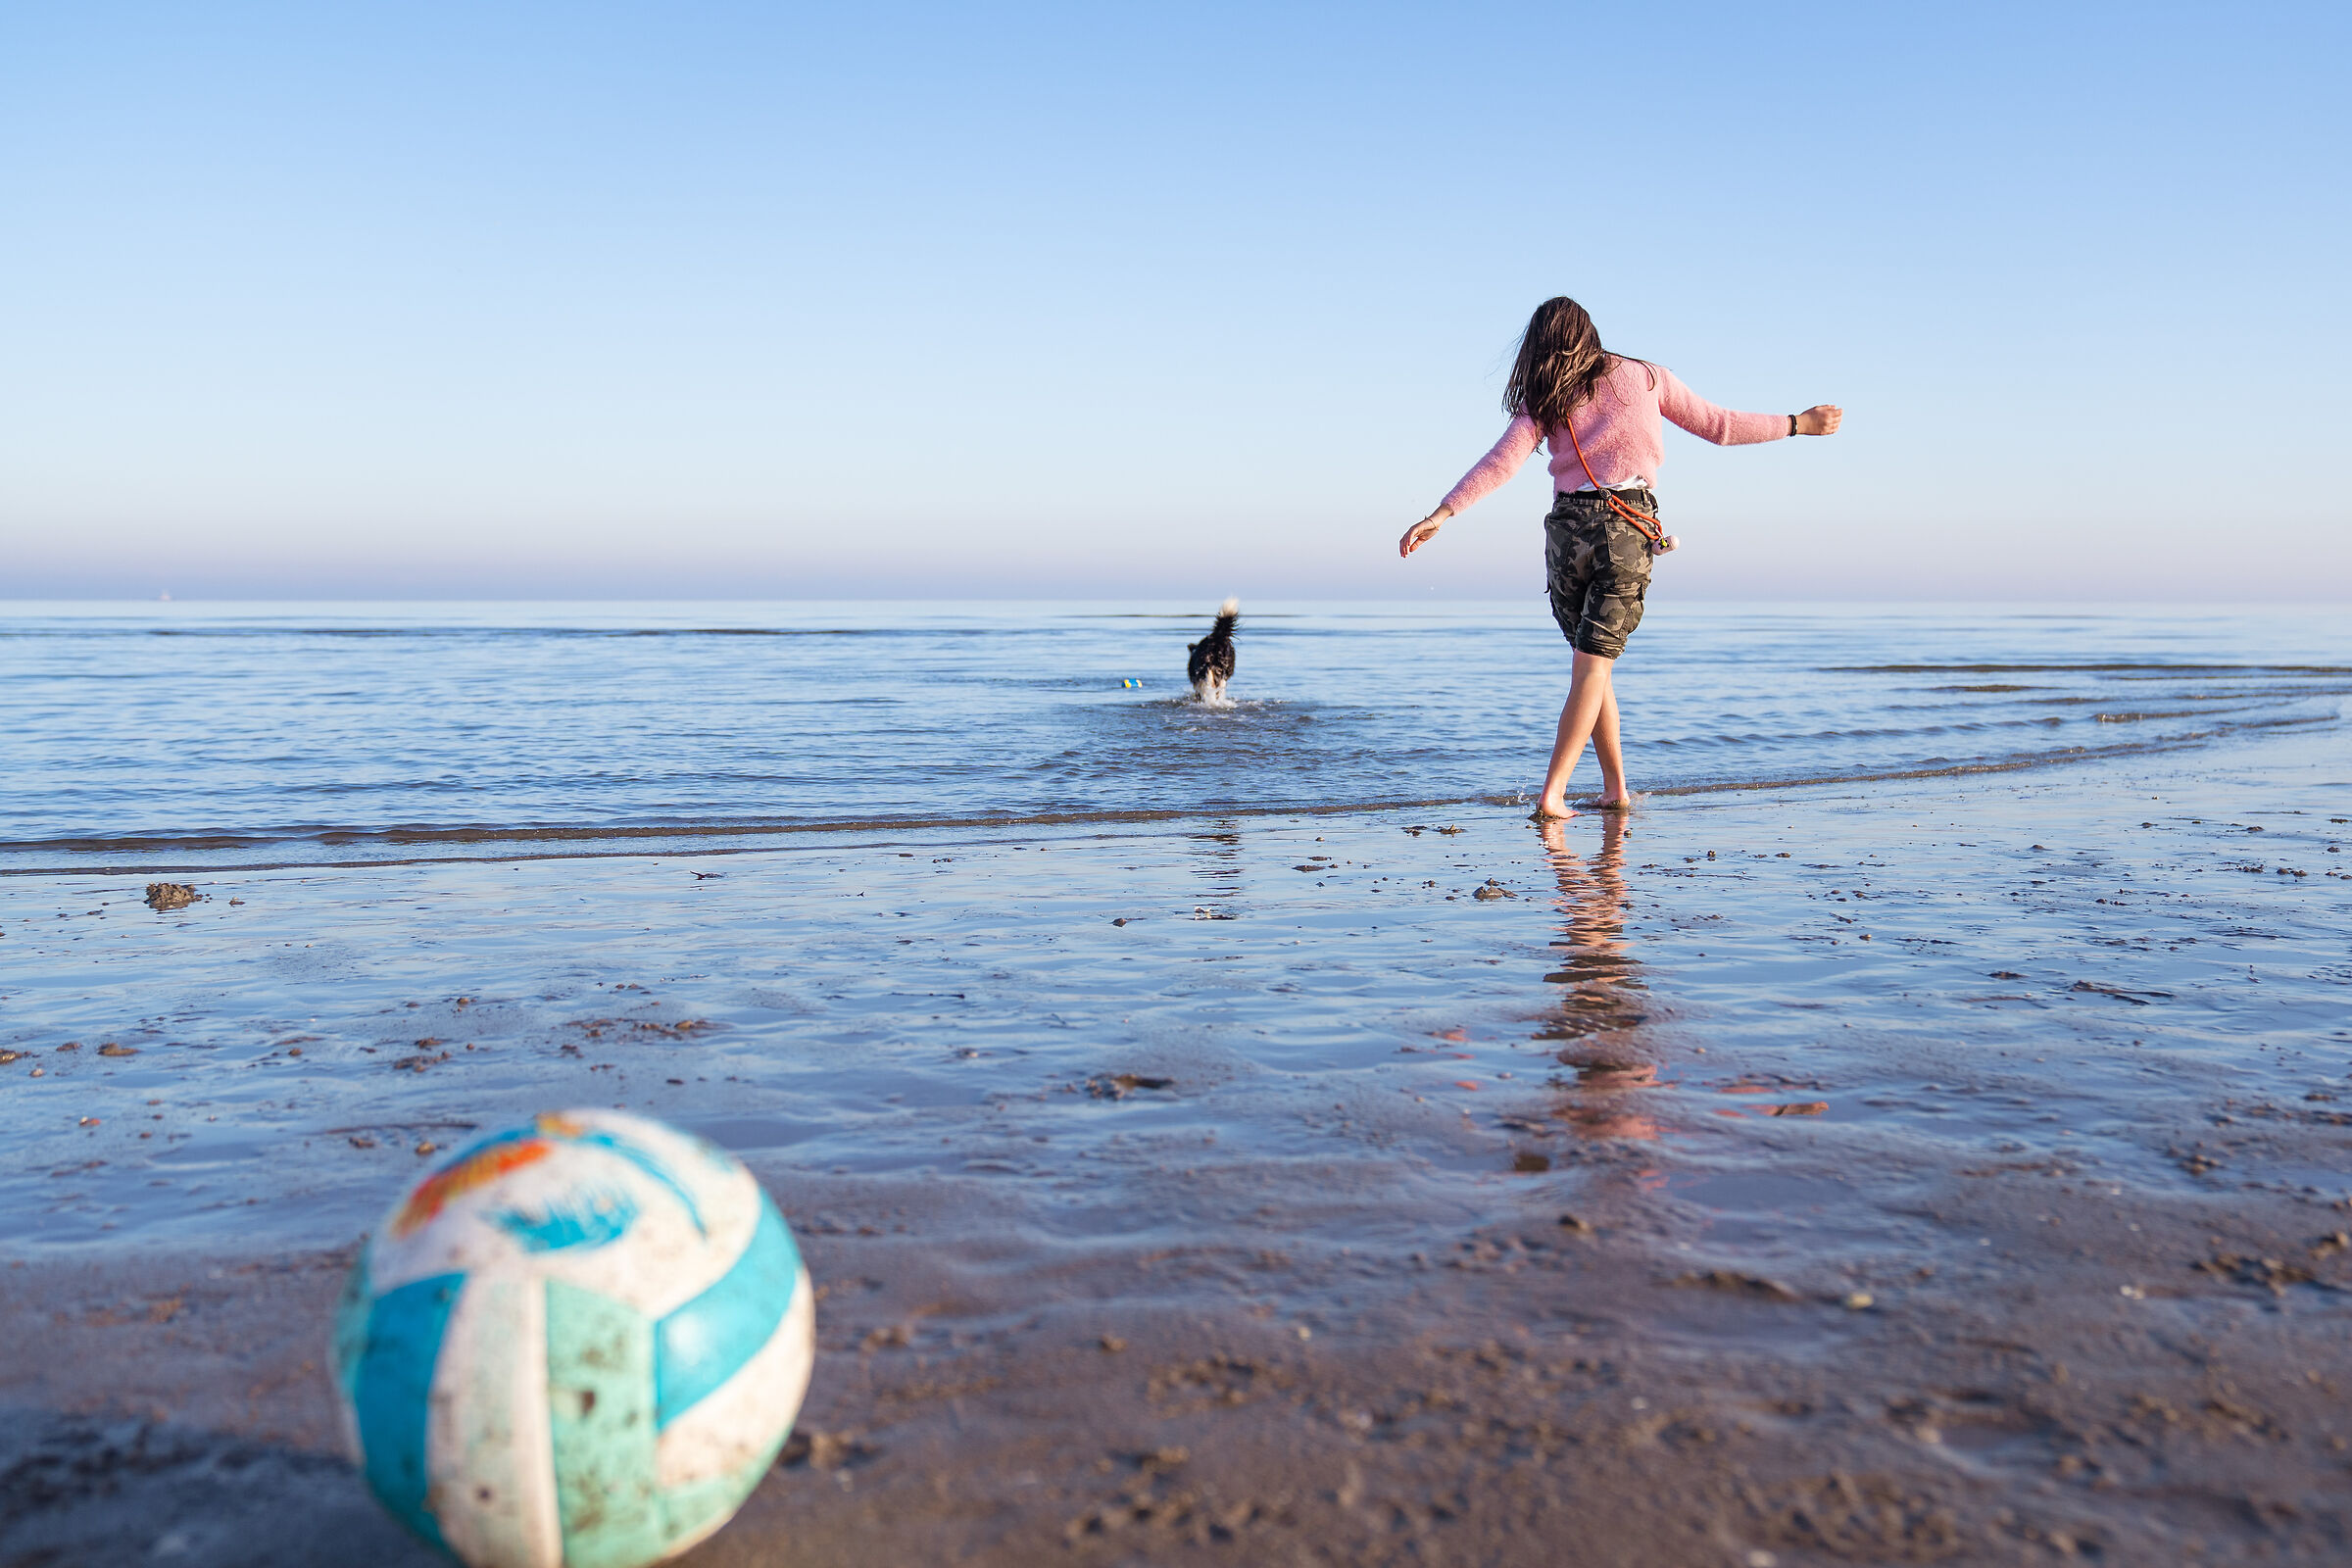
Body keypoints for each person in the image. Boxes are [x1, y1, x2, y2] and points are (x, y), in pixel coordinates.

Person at [1399, 297, 1840, 818]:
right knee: (1593, 664)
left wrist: (1443, 512)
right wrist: (1796, 423)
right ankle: (1553, 795)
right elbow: (1720, 426)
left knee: (1592, 663)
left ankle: (1614, 789)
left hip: (1566, 538)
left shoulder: (1549, 394)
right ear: (1591, 333)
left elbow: (1503, 460)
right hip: (1625, 528)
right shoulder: (1647, 378)